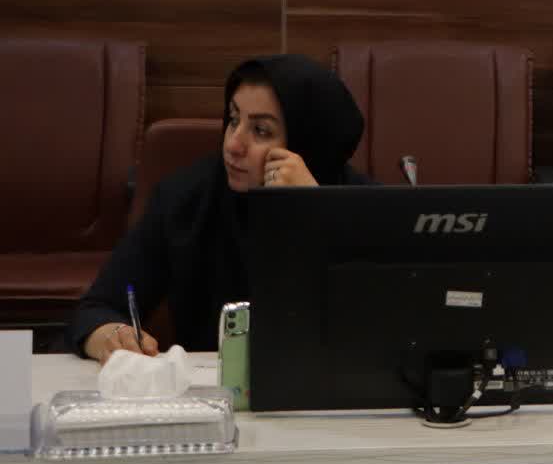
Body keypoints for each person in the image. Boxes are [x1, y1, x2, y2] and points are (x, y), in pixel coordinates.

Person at [69, 54, 367, 362]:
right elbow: (96, 309)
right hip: (210, 386)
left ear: (308, 144)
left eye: (261, 131)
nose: (233, 144)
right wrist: (109, 334)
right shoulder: (187, 199)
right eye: (234, 119)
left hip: (334, 387)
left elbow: (383, 327)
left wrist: (317, 212)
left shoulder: (366, 207)